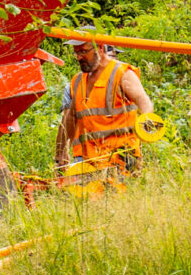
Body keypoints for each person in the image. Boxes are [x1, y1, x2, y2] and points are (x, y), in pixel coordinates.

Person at [54, 37, 155, 192]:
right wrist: (61, 153)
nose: (79, 57)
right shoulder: (77, 81)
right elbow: (71, 118)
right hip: (89, 163)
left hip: (121, 160)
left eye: (83, 51)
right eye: (76, 52)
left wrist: (147, 121)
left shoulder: (122, 74)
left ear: (100, 48)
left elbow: (144, 103)